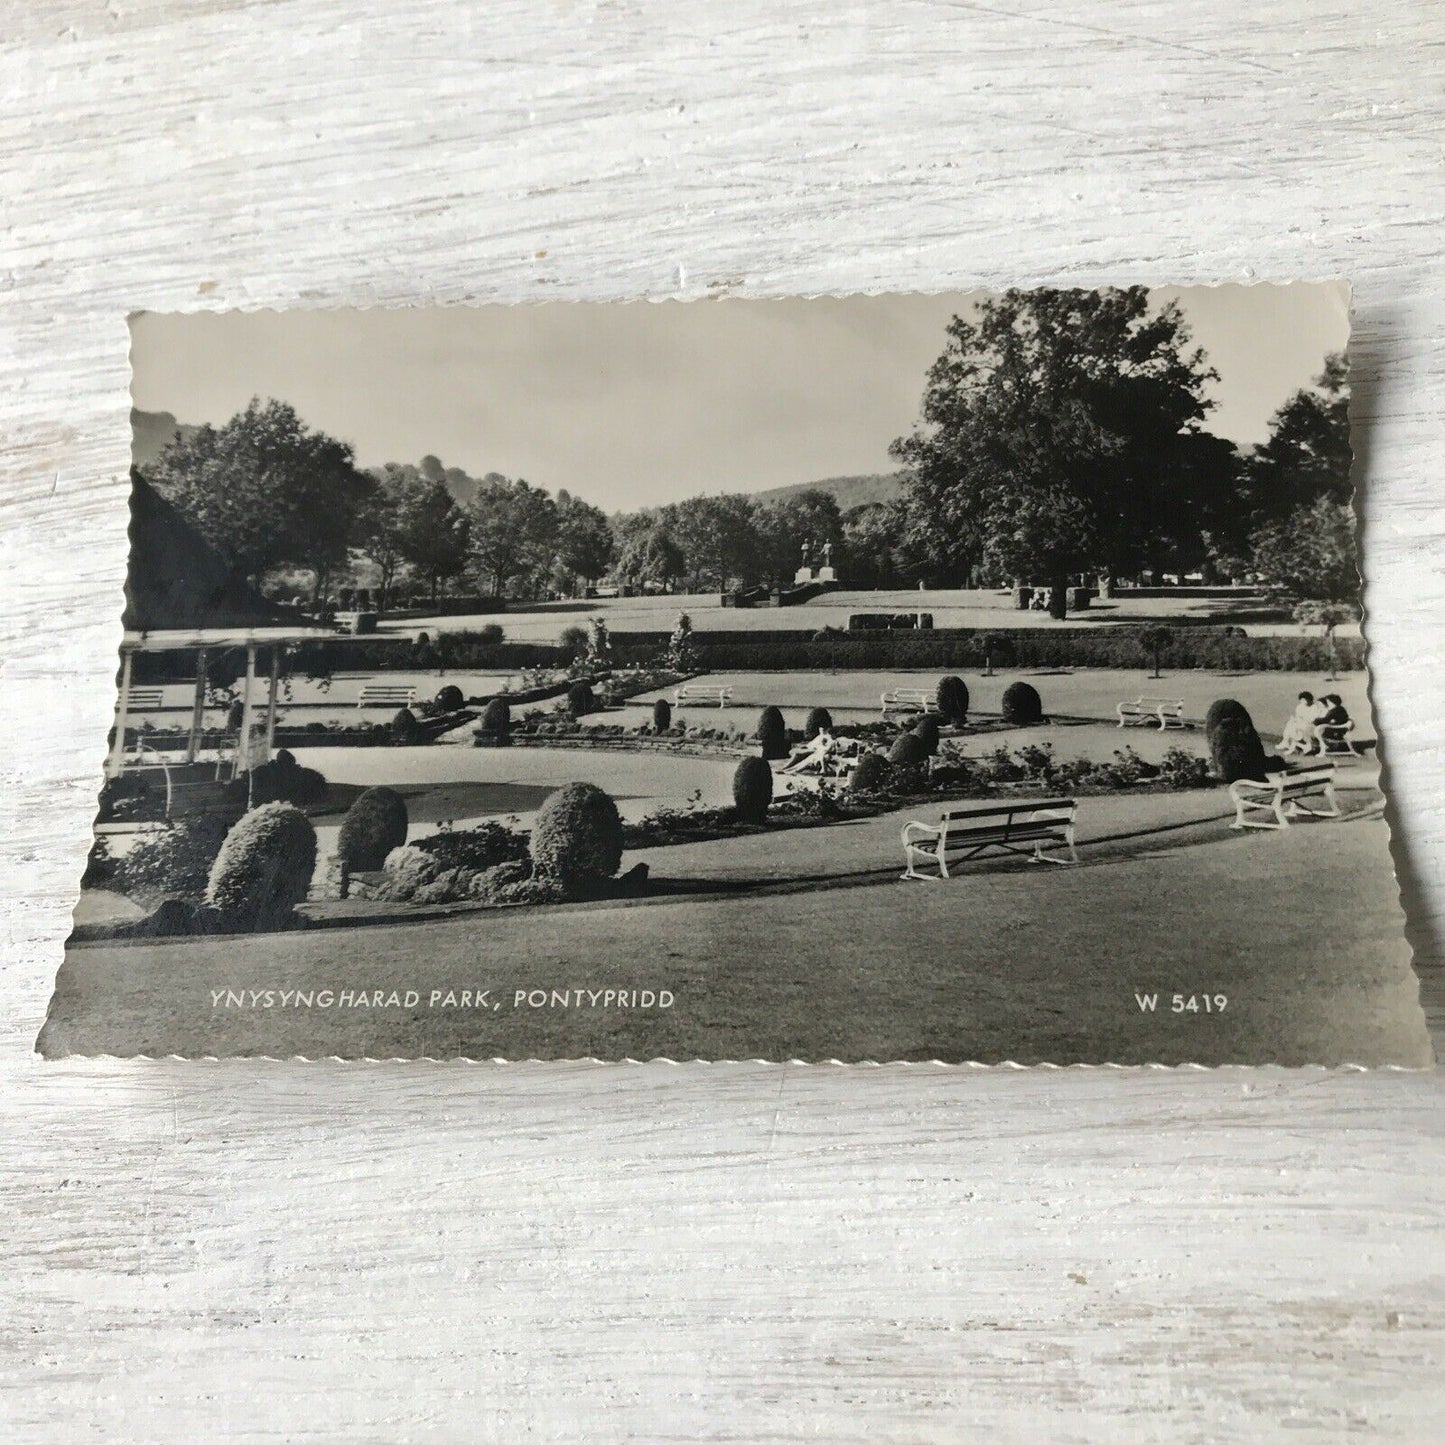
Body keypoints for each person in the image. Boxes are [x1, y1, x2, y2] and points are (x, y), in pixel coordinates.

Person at [1280, 691, 1321, 755]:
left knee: (1295, 727)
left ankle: (1289, 745)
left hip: (1311, 726)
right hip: (1301, 723)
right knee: (1291, 724)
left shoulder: (1314, 707)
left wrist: (1302, 719)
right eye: (1301, 700)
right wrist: (1296, 720)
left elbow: (1313, 719)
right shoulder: (1300, 707)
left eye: (1304, 700)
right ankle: (1286, 742)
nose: (1303, 701)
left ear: (1309, 699)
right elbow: (1298, 717)